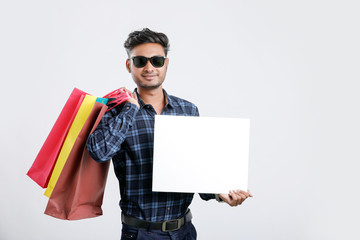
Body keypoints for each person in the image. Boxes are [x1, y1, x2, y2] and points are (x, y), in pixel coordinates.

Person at [87, 28, 252, 240]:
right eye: (140, 61)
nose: (149, 67)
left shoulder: (188, 110)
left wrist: (221, 194)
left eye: (156, 60)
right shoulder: (115, 111)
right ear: (129, 65)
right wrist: (129, 110)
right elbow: (99, 153)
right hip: (140, 233)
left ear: (166, 64)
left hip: (184, 232)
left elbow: (197, 171)